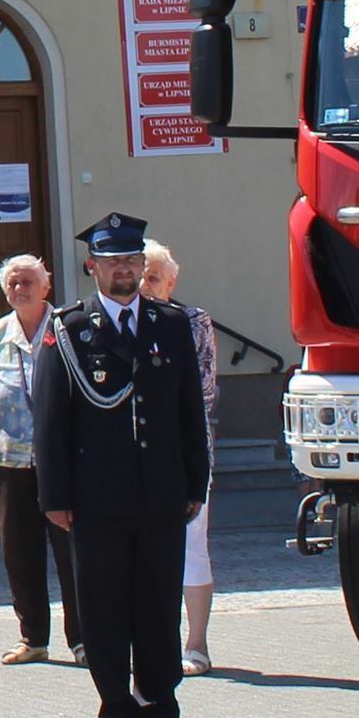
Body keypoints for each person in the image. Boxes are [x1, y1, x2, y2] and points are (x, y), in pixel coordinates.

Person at [35, 215, 211, 718]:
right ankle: (116, 710)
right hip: (97, 495)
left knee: (158, 602)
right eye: (112, 262)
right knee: (105, 604)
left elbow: (188, 410)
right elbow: (50, 419)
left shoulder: (170, 324)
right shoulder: (68, 329)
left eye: (132, 261)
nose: (123, 271)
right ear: (93, 267)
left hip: (160, 491)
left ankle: (161, 708)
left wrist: (194, 482)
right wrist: (56, 497)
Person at [0, 254, 81, 665]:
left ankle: (83, 640)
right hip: (9, 459)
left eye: (27, 282)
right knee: (19, 553)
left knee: (72, 553)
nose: (19, 289)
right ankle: (33, 638)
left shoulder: (67, 329)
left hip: (61, 461)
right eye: (13, 283)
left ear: (47, 286)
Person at [143, 240, 226, 672]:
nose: (144, 283)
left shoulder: (191, 322)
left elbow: (204, 389)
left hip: (182, 449)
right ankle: (152, 644)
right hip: (134, 453)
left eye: (153, 276)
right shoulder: (121, 320)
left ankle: (196, 645)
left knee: (192, 546)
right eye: (140, 273)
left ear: (171, 282)